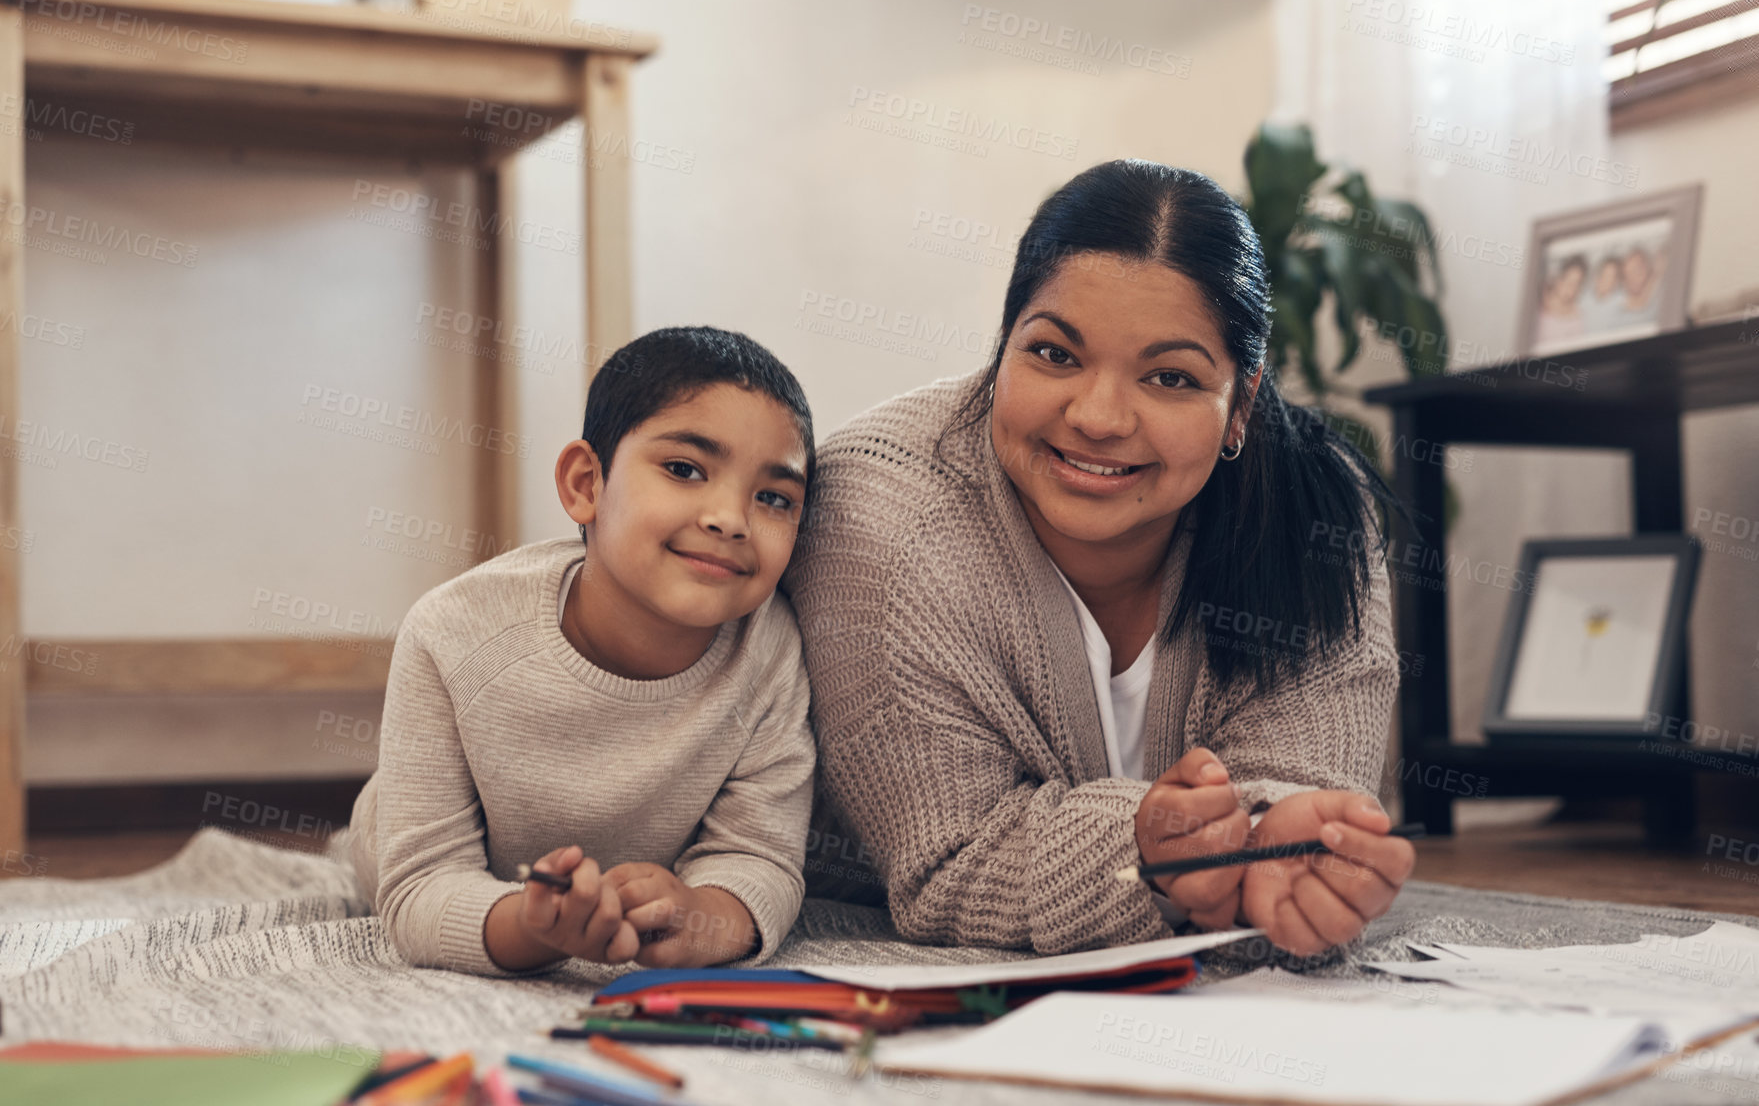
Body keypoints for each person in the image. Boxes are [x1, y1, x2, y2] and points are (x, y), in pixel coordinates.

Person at [782, 159, 1415, 959]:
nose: (1098, 416)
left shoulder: (1320, 511)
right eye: (1053, 355)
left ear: (1240, 406)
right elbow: (948, 862)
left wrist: (1283, 845)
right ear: (1000, 346)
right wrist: (1148, 854)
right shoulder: (880, 514)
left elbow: (1302, 792)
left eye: (1170, 377)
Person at [343, 327, 818, 976]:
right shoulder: (452, 634)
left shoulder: (770, 650)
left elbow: (761, 855)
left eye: (773, 498)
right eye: (683, 469)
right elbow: (421, 887)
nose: (730, 517)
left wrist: (702, 916)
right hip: (418, 847)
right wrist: (534, 929)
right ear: (584, 485)